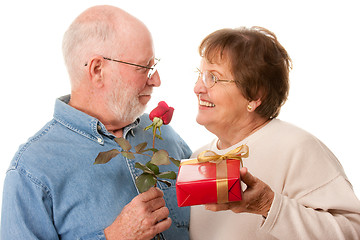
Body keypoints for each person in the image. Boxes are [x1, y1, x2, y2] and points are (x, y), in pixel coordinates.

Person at [1, 5, 191, 240]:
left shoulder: (165, 136)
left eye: (154, 65)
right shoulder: (31, 171)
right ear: (98, 69)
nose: (157, 80)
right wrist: (114, 237)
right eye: (145, 67)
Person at [189, 26, 360, 239]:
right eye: (200, 75)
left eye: (213, 78)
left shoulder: (297, 148)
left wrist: (268, 205)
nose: (197, 88)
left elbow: (353, 232)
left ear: (254, 96)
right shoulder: (198, 158)